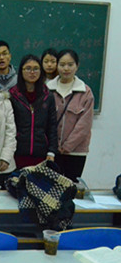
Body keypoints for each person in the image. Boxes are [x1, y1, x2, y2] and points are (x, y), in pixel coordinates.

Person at [46, 49, 94, 182]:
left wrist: (67, 146)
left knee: (70, 187)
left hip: (76, 152)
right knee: (48, 188)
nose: (66, 68)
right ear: (57, 66)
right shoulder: (47, 89)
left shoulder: (85, 92)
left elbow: (84, 125)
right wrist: (53, 147)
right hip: (51, 151)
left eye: (70, 64)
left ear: (77, 66)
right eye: (62, 64)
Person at [9, 54, 58, 168]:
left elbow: (52, 126)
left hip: (41, 153)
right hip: (17, 153)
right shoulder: (13, 95)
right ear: (21, 71)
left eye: (36, 69)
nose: (32, 72)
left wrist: (51, 151)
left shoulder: (48, 96)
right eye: (28, 69)